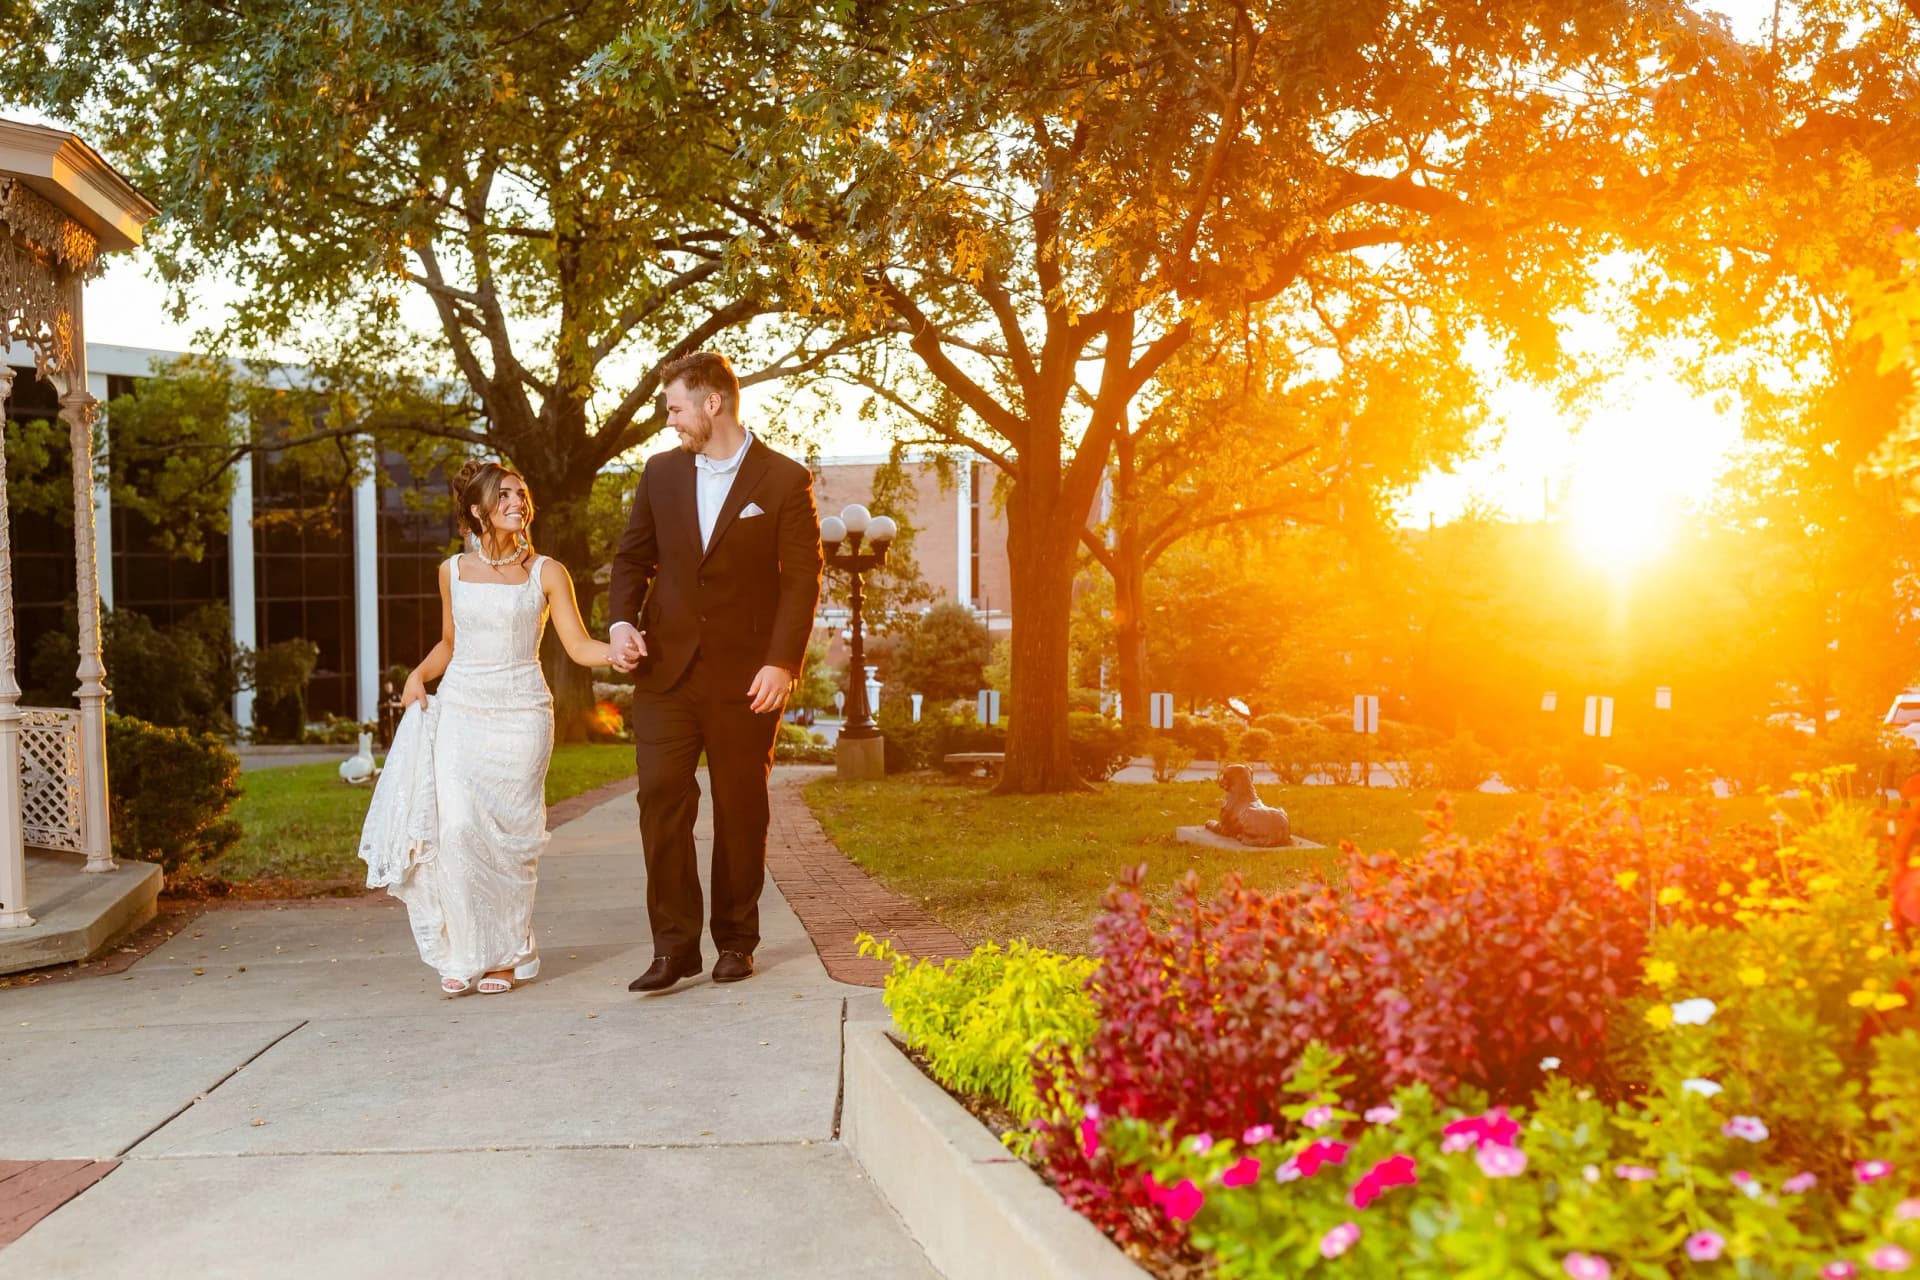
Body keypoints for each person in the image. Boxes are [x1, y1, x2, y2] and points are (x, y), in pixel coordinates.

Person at [607, 351, 823, 992]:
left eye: (675, 407)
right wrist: (621, 623)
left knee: (740, 808)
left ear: (712, 403)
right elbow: (631, 559)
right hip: (666, 673)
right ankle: (674, 950)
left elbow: (803, 580)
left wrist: (783, 662)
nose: (669, 420)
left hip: (747, 678)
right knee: (661, 803)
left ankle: (736, 939)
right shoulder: (660, 473)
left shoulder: (784, 480)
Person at [358, 459, 615, 995]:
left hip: (522, 715)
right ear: (477, 510)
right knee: (455, 831)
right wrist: (417, 674)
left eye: (521, 494)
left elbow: (578, 646)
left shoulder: (547, 572)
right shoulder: (451, 571)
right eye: (504, 496)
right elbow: (451, 643)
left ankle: (506, 956)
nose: (517, 503)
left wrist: (620, 651)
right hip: (462, 711)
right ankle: (464, 951)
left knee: (510, 841)